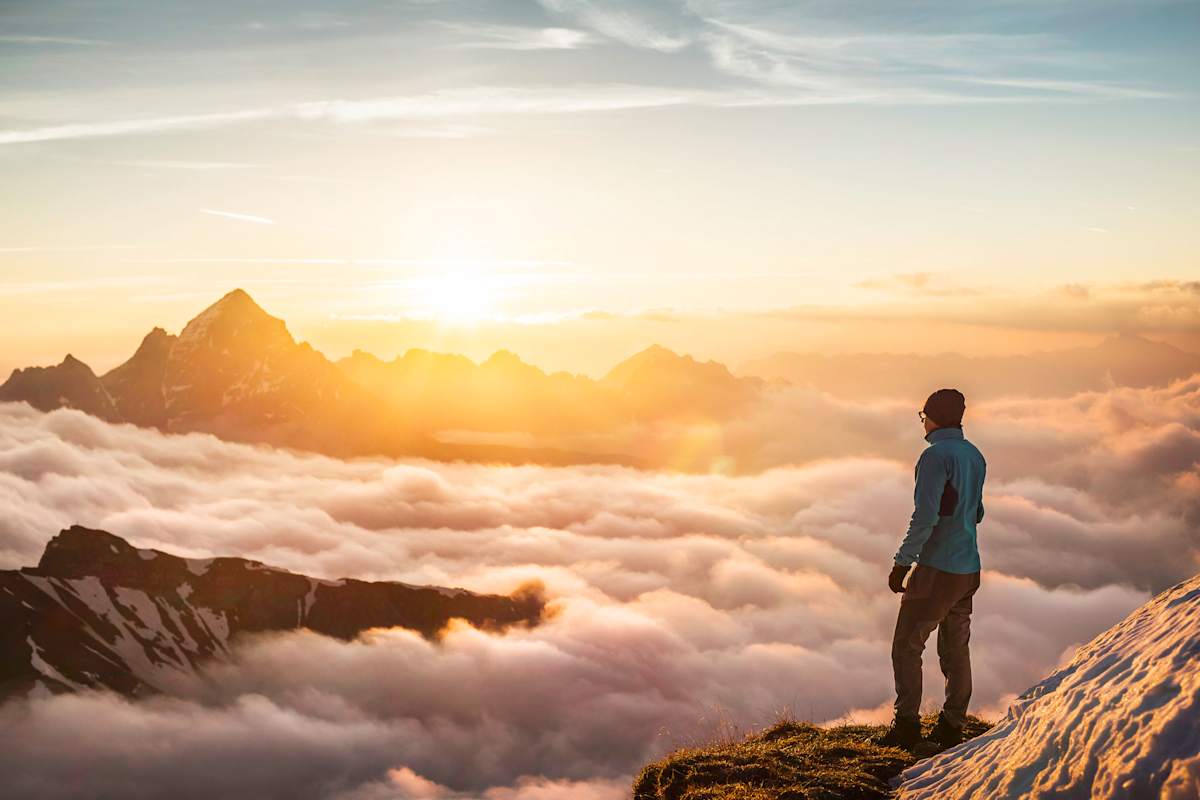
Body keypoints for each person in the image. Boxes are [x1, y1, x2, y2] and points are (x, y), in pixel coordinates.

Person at [874, 388, 986, 750]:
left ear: (932, 417)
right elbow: (977, 512)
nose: (922, 422)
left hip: (937, 568)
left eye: (923, 416)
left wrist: (902, 563)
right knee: (956, 649)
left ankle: (906, 725)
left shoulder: (934, 457)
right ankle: (952, 724)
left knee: (906, 646)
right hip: (968, 567)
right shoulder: (974, 455)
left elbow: (925, 516)